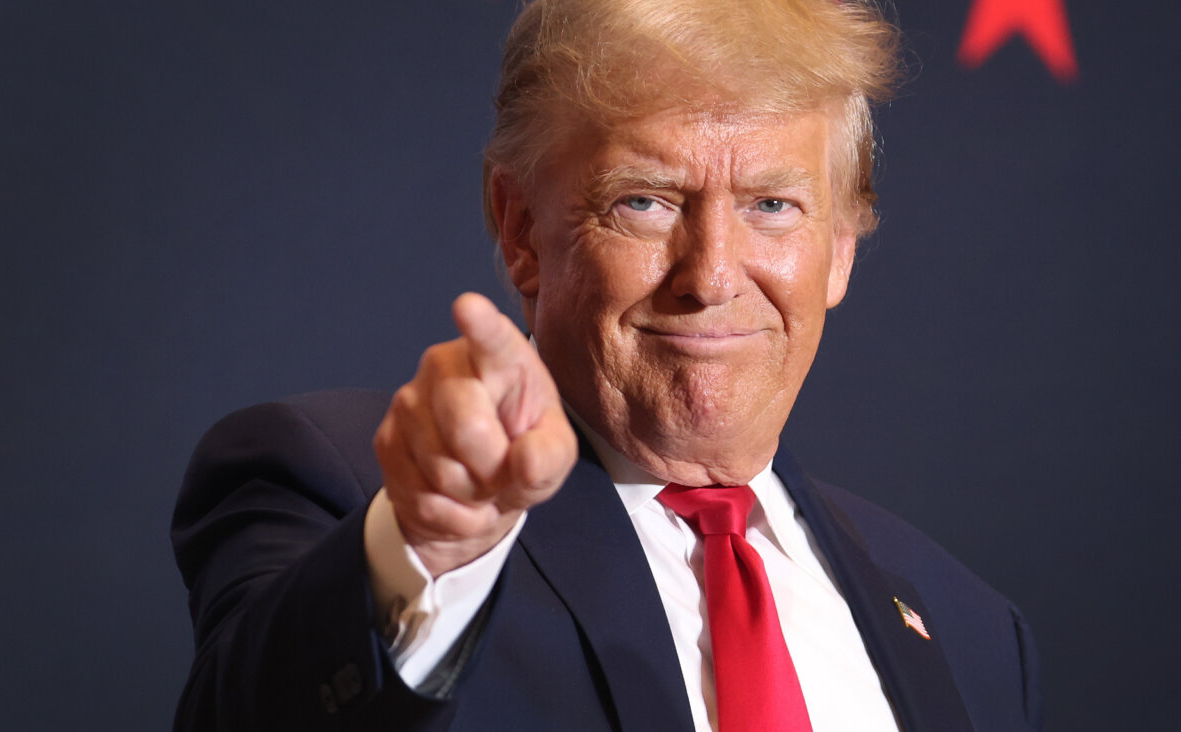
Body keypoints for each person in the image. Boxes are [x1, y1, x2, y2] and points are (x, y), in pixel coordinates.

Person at [171, 0, 1042, 729]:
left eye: (772, 204)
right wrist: (430, 545)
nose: (710, 275)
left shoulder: (972, 633)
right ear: (520, 229)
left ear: (841, 249)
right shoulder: (350, 492)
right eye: (646, 201)